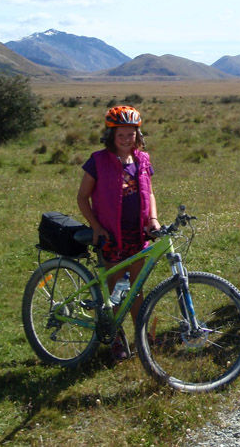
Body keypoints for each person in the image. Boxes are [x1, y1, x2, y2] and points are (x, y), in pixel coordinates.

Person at [77, 105, 159, 360]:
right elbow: (82, 198)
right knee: (116, 292)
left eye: (130, 134)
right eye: (120, 135)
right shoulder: (98, 161)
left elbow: (150, 193)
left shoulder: (142, 160)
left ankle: (142, 337)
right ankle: (114, 338)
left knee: (137, 289)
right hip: (112, 237)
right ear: (111, 135)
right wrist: (97, 227)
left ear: (138, 134)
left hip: (138, 234)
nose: (126, 140)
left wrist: (153, 218)